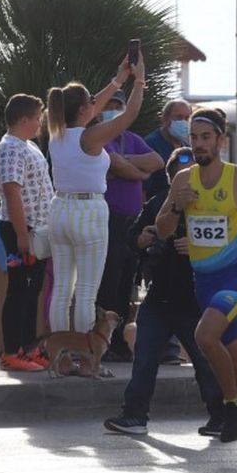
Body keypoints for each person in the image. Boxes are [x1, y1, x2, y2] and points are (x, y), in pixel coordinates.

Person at [155, 109, 237, 459]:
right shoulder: (182, 179)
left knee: (204, 335)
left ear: (220, 140)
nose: (198, 144)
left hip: (236, 274)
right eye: (194, 138)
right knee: (235, 358)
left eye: (205, 137)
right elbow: (163, 229)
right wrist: (175, 209)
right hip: (203, 279)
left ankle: (231, 406)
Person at [103, 147, 226, 436]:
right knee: (144, 359)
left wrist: (196, 247)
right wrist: (142, 239)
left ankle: (221, 415)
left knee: (204, 361)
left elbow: (230, 240)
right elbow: (133, 236)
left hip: (195, 298)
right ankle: (134, 415)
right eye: (176, 175)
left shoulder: (213, 203)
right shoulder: (159, 202)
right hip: (159, 295)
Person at [46, 56, 145, 336]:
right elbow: (129, 115)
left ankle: (62, 354)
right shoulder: (89, 138)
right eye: (91, 101)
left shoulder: (58, 133)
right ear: (82, 108)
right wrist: (139, 80)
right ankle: (86, 357)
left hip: (60, 209)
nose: (96, 105)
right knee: (87, 292)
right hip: (88, 212)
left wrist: (118, 80)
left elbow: (91, 109)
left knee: (62, 289)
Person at [97, 88, 164, 360]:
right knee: (109, 280)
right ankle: (102, 340)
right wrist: (137, 171)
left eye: (119, 106)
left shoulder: (132, 139)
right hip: (109, 220)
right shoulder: (98, 139)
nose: (114, 110)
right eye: (109, 105)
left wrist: (127, 164)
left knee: (127, 282)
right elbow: (116, 166)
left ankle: (120, 341)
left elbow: (158, 162)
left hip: (131, 223)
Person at [0, 93, 53, 371]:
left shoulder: (27, 146)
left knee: (32, 291)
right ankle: (12, 350)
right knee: (19, 290)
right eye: (38, 118)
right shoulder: (10, 148)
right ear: (24, 119)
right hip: (22, 229)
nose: (40, 123)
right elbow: (11, 190)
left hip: (38, 229)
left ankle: (29, 348)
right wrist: (21, 234)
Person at [143, 98, 192, 200]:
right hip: (156, 206)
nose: (183, 122)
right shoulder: (151, 144)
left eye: (187, 118)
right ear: (165, 118)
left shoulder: (186, 147)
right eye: (179, 117)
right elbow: (143, 187)